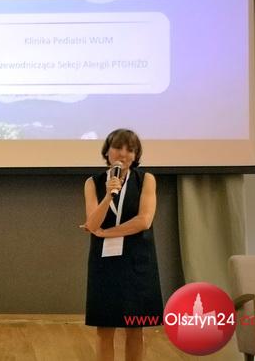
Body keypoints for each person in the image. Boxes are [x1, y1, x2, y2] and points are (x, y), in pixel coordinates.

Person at [80, 129, 163, 361]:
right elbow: (92, 223)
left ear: (136, 156)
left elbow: (144, 221)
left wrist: (105, 233)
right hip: (104, 264)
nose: (123, 154)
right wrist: (109, 196)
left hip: (137, 262)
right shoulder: (92, 183)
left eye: (130, 150)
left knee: (135, 329)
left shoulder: (146, 179)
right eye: (118, 147)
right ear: (107, 151)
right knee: (104, 329)